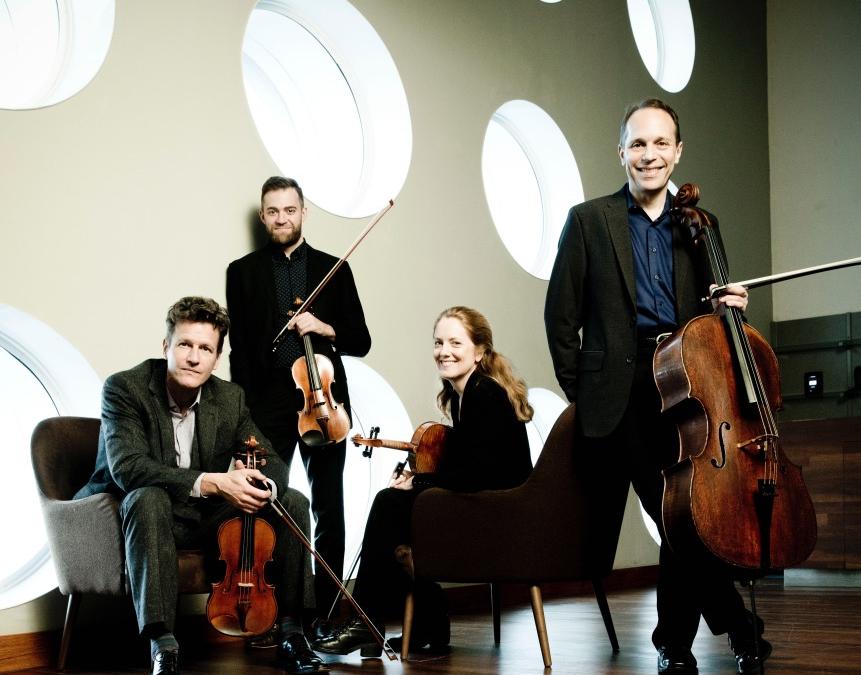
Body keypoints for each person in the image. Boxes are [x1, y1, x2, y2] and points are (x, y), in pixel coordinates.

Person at [544, 99, 768, 675]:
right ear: (621, 152)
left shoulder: (701, 225)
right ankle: (725, 632)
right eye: (638, 144)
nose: (649, 154)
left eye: (660, 143)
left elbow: (713, 320)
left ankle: (679, 645)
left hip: (686, 387)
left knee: (685, 520)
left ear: (678, 151)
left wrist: (731, 310)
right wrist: (584, 389)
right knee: (679, 518)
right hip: (622, 396)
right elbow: (559, 317)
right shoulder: (588, 220)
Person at [75, 297, 324, 675]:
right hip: (140, 517)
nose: (193, 357)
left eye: (205, 348)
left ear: (216, 357)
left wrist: (258, 482)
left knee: (291, 499)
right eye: (184, 345)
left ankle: (292, 632)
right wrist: (214, 483)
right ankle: (163, 644)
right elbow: (128, 468)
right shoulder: (125, 388)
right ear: (166, 347)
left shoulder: (228, 397)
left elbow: (273, 461)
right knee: (148, 497)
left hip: (199, 518)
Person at [311, 306, 534, 657]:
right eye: (438, 342)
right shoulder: (465, 395)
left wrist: (417, 484)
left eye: (455, 343)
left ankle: (370, 622)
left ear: (479, 351)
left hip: (499, 516)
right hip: (487, 504)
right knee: (397, 520)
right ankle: (427, 623)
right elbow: (470, 467)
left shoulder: (484, 394)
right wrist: (419, 479)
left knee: (389, 504)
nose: (444, 351)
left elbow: (479, 475)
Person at [226, 176, 371, 624]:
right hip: (267, 401)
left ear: (303, 212)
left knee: (329, 505)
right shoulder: (242, 271)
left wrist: (324, 327)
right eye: (273, 212)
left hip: (322, 400)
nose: (281, 218)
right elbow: (241, 351)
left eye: (289, 210)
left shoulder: (334, 268)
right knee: (266, 502)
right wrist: (244, 410)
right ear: (263, 216)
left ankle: (326, 610)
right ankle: (275, 610)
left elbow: (361, 340)